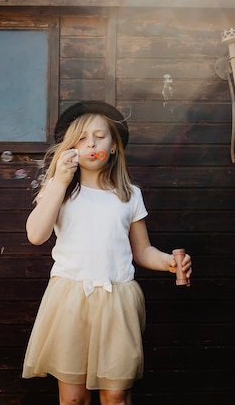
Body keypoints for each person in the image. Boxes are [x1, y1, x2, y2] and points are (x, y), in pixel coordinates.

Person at [22, 101, 193, 405]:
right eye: (82, 137)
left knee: (116, 395)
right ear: (71, 148)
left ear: (113, 146)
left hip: (117, 300)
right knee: (73, 398)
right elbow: (36, 235)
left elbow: (142, 251)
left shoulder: (129, 195)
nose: (91, 144)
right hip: (70, 299)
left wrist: (167, 261)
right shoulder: (59, 189)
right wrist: (59, 181)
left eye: (100, 137)